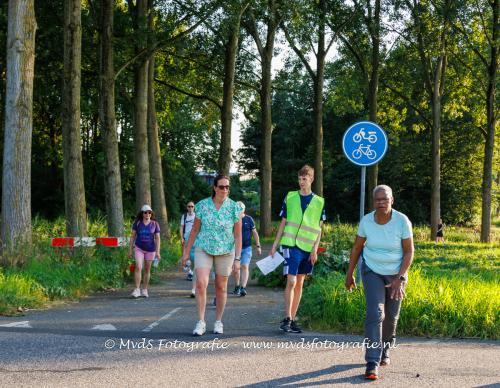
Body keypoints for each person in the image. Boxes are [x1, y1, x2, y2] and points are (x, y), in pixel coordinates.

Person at [345, 185, 414, 380]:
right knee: (376, 313)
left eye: (385, 199)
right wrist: (349, 274)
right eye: (378, 200)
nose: (381, 203)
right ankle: (372, 361)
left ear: (392, 200)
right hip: (372, 270)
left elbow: (409, 251)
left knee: (391, 316)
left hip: (396, 273)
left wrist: (400, 278)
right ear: (373, 202)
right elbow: (357, 247)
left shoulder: (402, 221)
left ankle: (386, 350)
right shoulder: (367, 221)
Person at [181, 175, 242, 336]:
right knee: (201, 283)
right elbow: (194, 230)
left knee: (221, 287)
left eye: (227, 187)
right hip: (204, 247)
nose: (225, 190)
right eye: (221, 187)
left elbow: (238, 235)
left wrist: (237, 258)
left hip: (226, 250)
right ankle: (201, 322)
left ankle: (218, 321)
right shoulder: (202, 206)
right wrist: (186, 252)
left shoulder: (234, 207)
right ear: (215, 188)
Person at [270, 165, 326, 334]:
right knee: (292, 281)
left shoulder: (319, 202)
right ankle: (287, 318)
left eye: (305, 179)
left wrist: (315, 249)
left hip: (307, 247)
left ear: (311, 179)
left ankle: (292, 319)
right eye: (300, 179)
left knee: (300, 283)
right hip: (290, 244)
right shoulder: (291, 197)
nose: (301, 182)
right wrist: (274, 245)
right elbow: (283, 223)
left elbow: (319, 229)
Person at [129, 204, 161, 298]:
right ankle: (137, 289)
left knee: (147, 269)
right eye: (145, 212)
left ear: (151, 214)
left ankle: (145, 289)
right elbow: (132, 237)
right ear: (142, 214)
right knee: (138, 266)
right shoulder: (137, 223)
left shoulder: (155, 224)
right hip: (139, 248)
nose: (147, 214)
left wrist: (158, 252)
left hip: (151, 250)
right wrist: (130, 250)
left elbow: (158, 238)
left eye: (149, 212)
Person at [231, 201, 261, 297]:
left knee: (244, 266)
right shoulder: (232, 220)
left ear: (244, 209)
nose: (239, 210)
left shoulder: (249, 219)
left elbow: (255, 233)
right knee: (236, 269)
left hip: (247, 247)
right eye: (237, 209)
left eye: (240, 209)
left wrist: (258, 246)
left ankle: (243, 287)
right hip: (235, 249)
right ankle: (237, 286)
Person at [180, 201, 196, 294]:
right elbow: (181, 227)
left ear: (194, 207)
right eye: (189, 206)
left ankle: (191, 272)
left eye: (192, 206)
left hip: (195, 238)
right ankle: (190, 271)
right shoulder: (184, 216)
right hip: (186, 238)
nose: (190, 208)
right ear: (187, 207)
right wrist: (181, 237)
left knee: (193, 256)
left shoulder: (196, 216)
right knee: (187, 255)